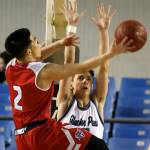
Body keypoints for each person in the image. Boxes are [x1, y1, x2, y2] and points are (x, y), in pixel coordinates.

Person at [5, 13, 132, 150]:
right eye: (35, 41)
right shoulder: (45, 74)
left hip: (22, 137)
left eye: (89, 79)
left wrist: (62, 42)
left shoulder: (11, 66)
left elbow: (39, 54)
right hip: (42, 134)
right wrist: (112, 53)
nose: (39, 43)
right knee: (99, 146)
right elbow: (77, 66)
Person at [56, 1, 115, 139]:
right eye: (80, 78)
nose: (85, 81)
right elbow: (68, 62)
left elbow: (104, 67)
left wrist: (104, 31)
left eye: (89, 79)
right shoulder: (66, 100)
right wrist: (71, 26)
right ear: (71, 83)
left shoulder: (97, 102)